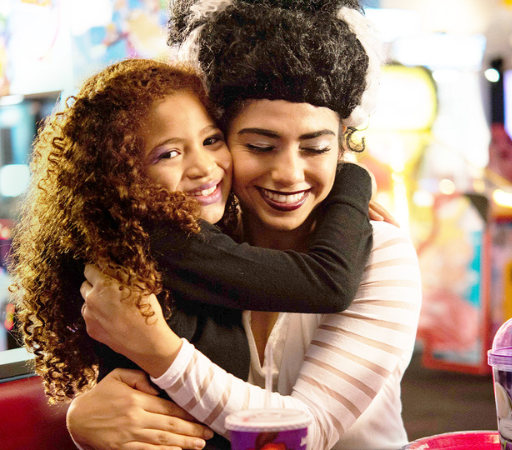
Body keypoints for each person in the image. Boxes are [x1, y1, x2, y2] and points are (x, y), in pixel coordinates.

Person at [71, 1, 422, 449]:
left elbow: (305, 433)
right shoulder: (198, 237)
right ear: (220, 138)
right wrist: (83, 418)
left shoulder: (381, 255)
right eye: (260, 145)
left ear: (341, 148)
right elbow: (136, 405)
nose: (289, 174)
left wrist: (157, 350)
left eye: (314, 148)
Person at [8, 58, 379, 449]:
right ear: (120, 175)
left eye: (211, 140)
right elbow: (329, 283)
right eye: (168, 154)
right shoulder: (161, 237)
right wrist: (352, 179)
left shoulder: (186, 237)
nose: (203, 167)